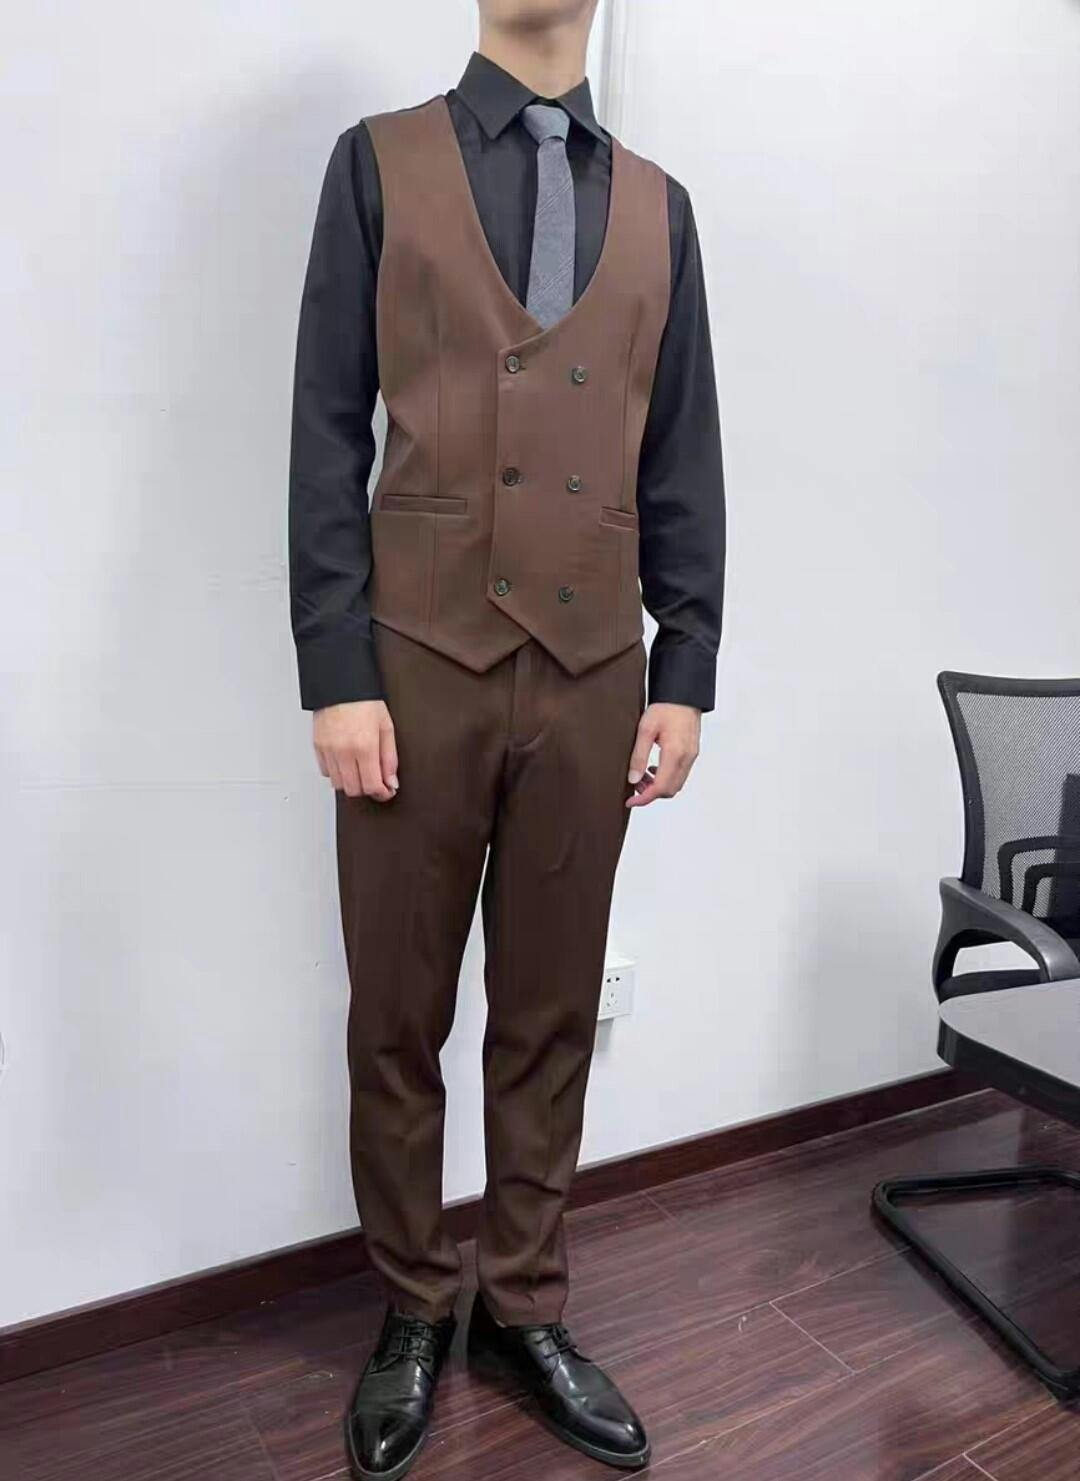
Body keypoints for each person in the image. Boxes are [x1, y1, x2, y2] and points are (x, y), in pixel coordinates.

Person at [289, 0, 725, 1474]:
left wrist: (688, 664)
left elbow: (683, 447)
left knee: (549, 1015)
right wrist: (335, 667)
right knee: (396, 1014)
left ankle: (523, 1304)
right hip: (414, 670)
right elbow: (325, 426)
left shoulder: (662, 211)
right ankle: (416, 1303)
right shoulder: (377, 164)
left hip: (597, 668)